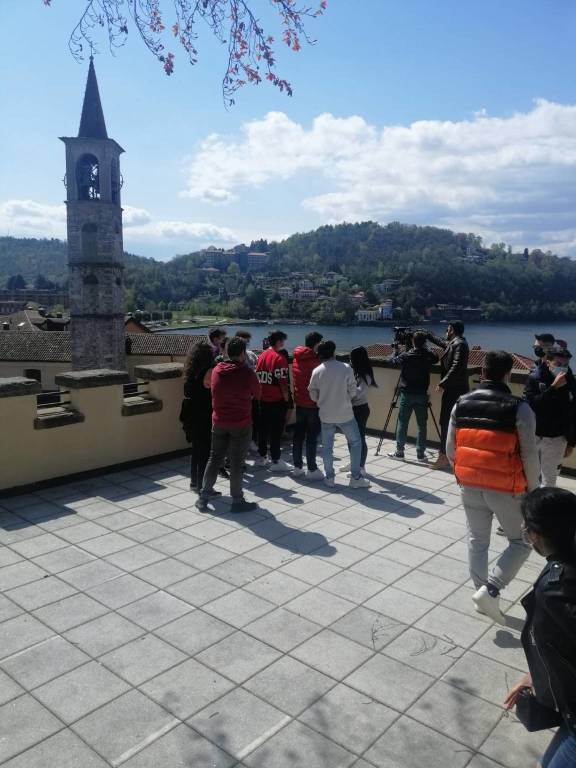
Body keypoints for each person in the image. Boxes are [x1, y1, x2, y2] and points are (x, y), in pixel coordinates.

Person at [446, 350, 538, 623]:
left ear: (482, 372)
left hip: (470, 484)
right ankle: (491, 590)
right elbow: (529, 455)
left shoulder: (460, 403)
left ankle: (480, 594)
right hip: (506, 488)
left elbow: (451, 449)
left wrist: (463, 474)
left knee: (477, 540)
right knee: (520, 542)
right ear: (509, 374)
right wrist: (532, 488)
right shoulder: (519, 408)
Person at [504, 488, 576, 768]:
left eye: (526, 523)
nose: (522, 528)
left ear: (537, 534)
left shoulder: (556, 588)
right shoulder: (566, 564)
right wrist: (538, 674)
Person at [196, 336, 261, 513]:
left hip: (218, 422)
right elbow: (258, 393)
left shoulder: (217, 370)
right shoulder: (247, 373)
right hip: (241, 423)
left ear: (226, 352)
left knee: (214, 458)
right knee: (237, 463)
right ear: (242, 354)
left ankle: (203, 497)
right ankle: (237, 501)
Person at [308, 341, 371, 490]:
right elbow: (353, 391)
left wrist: (320, 401)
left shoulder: (317, 371)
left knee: (327, 447)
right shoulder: (346, 368)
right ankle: (356, 477)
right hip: (345, 413)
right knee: (356, 443)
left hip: (326, 414)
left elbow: (312, 393)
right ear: (334, 352)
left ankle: (329, 477)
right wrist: (346, 398)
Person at [524, 343, 576, 487]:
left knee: (549, 480)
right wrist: (553, 388)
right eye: (558, 363)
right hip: (534, 435)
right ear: (548, 362)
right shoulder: (535, 378)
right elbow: (531, 405)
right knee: (530, 477)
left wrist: (571, 441)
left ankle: (544, 508)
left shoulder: (570, 381)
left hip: (557, 439)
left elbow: (572, 412)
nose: (563, 368)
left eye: (566, 365)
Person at [387, 331, 439, 462]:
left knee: (403, 423)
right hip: (421, 394)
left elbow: (392, 361)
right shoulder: (427, 355)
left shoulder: (406, 355)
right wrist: (427, 347)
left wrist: (395, 350)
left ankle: (400, 452)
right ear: (424, 343)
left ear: (412, 342)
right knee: (422, 425)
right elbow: (436, 357)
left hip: (407, 393)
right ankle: (420, 454)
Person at [427, 321, 469, 469]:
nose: (446, 330)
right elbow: (443, 343)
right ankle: (447, 455)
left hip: (455, 391)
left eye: (448, 328)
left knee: (447, 422)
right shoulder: (455, 343)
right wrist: (428, 335)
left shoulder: (460, 345)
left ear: (452, 330)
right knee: (446, 422)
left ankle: (444, 456)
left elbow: (456, 365)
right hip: (453, 390)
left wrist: (443, 383)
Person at [179, 341, 219, 495]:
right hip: (204, 415)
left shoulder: (191, 371)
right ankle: (204, 486)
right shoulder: (208, 371)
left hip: (191, 415)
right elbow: (213, 390)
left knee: (196, 450)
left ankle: (194, 482)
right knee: (205, 452)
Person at [255, 330, 292, 472]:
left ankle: (262, 457)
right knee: (276, 432)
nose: (283, 343)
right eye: (282, 340)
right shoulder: (279, 359)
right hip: (276, 400)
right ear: (278, 341)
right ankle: (276, 460)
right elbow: (283, 384)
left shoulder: (261, 356)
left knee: (263, 430)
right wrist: (287, 400)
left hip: (262, 399)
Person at [339, 346, 377, 477]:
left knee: (359, 438)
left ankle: (361, 466)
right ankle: (353, 462)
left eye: (351, 358)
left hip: (360, 409)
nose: (349, 360)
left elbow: (359, 393)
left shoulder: (365, 375)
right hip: (350, 409)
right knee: (350, 438)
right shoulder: (352, 371)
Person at [291, 332, 324, 481]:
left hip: (300, 402)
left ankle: (297, 467)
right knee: (311, 437)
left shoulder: (297, 358)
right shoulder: (316, 362)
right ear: (316, 344)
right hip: (313, 404)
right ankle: (312, 468)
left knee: (298, 436)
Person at [236, 330, 260, 452]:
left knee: (254, 418)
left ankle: (252, 440)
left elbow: (259, 367)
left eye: (248, 341)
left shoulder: (251, 355)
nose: (247, 343)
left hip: (253, 394)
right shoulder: (233, 357)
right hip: (242, 395)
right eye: (244, 340)